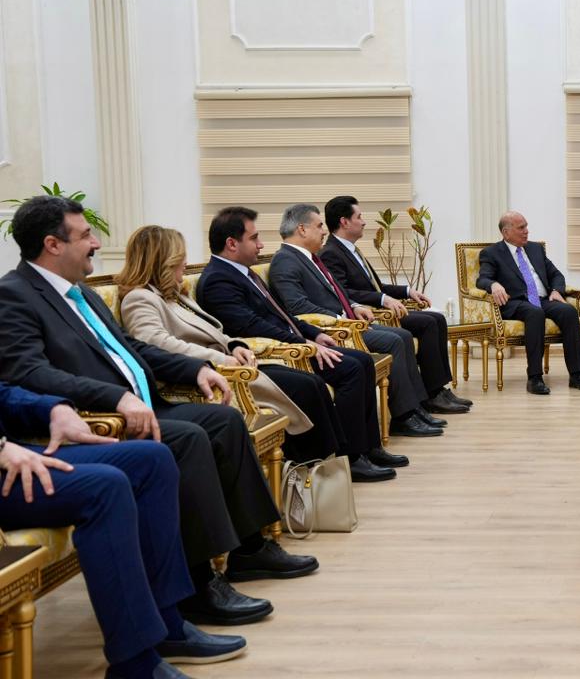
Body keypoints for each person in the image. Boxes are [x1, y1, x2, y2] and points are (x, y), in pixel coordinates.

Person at [0, 195, 316, 627]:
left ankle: (250, 549)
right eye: (86, 234)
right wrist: (114, 398)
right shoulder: (14, 296)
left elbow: (131, 348)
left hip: (148, 405)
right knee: (189, 439)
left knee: (223, 420)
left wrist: (196, 368)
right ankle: (198, 584)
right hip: (101, 421)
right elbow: (29, 372)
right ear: (53, 244)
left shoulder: (81, 294)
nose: (97, 242)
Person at [0, 381, 245, 679]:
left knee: (153, 459)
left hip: (12, 449)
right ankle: (135, 665)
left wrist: (53, 408)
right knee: (106, 487)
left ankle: (169, 625)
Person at [195, 206, 403, 482]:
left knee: (362, 361)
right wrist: (303, 342)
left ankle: (368, 448)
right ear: (232, 244)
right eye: (254, 238)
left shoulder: (244, 272)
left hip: (293, 342)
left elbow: (283, 314)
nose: (261, 244)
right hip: (271, 354)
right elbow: (251, 326)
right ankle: (351, 458)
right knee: (351, 370)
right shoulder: (218, 280)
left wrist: (314, 334)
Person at [117, 225, 339, 463]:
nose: (185, 263)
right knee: (304, 388)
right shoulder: (139, 298)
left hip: (231, 363)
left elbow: (213, 330)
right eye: (180, 257)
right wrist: (221, 359)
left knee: (312, 382)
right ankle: (312, 467)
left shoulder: (174, 295)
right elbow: (157, 344)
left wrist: (234, 345)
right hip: (213, 374)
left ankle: (332, 462)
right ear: (163, 261)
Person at [267, 203, 443, 437]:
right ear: (302, 229)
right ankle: (404, 416)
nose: (324, 231)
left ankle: (415, 408)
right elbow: (298, 307)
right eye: (319, 226)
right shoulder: (285, 260)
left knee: (402, 335)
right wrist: (340, 318)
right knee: (396, 340)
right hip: (334, 331)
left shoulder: (309, 258)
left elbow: (336, 291)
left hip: (349, 322)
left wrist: (354, 306)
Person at [320, 195, 470, 414]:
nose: (364, 222)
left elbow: (376, 286)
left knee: (437, 318)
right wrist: (383, 299)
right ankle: (432, 395)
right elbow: (343, 292)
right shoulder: (331, 253)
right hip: (371, 315)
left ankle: (437, 389)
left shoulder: (351, 249)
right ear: (344, 222)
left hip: (380, 308)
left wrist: (407, 291)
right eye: (359, 217)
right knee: (428, 323)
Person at [476, 211, 580, 395]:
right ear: (506, 232)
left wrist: (556, 290)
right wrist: (493, 285)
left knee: (569, 311)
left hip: (543, 299)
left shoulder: (535, 249)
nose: (526, 231)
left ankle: (577, 375)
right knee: (535, 313)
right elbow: (482, 279)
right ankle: (534, 378)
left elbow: (556, 274)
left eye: (526, 226)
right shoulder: (492, 253)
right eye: (521, 228)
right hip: (516, 302)